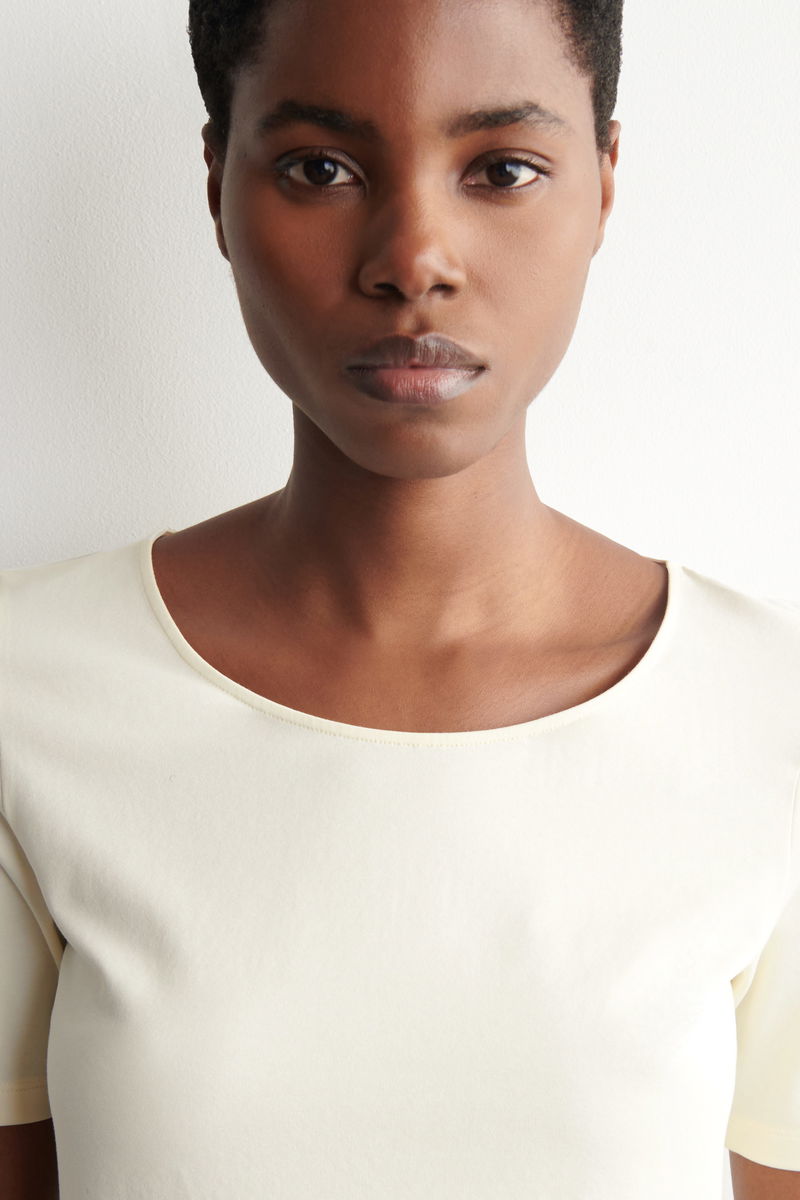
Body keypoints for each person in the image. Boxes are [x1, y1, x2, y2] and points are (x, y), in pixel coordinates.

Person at [1, 1, 799, 1196]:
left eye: (501, 169)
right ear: (217, 183)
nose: (413, 259)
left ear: (602, 182)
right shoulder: (26, 691)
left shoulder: (770, 719)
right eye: (319, 168)